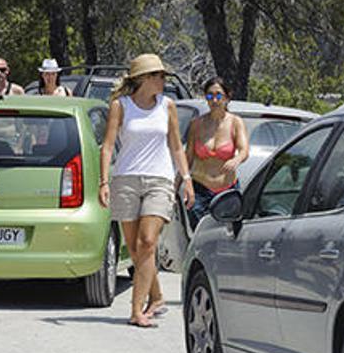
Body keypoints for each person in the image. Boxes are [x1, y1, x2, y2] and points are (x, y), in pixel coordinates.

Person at [99, 53, 195, 328]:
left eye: (163, 75)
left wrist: (186, 179)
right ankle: (157, 297)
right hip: (125, 179)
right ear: (143, 79)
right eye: (158, 76)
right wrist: (104, 182)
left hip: (159, 180)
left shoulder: (168, 106)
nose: (163, 80)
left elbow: (177, 146)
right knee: (136, 248)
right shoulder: (121, 106)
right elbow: (107, 146)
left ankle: (135, 310)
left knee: (147, 242)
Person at [184, 77, 249, 229]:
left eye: (218, 95)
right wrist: (179, 184)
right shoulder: (196, 124)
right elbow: (187, 158)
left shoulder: (235, 122)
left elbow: (244, 150)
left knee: (228, 238)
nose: (214, 100)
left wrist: (236, 160)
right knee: (201, 237)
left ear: (227, 97)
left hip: (226, 190)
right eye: (209, 95)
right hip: (200, 190)